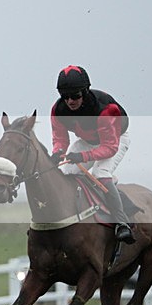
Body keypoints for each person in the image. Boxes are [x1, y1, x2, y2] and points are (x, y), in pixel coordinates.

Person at [49, 65, 135, 243]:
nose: (70, 101)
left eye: (75, 96)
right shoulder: (57, 110)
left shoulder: (105, 109)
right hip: (88, 141)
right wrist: (57, 153)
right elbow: (60, 139)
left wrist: (83, 157)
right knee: (68, 173)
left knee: (99, 173)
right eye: (65, 96)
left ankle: (121, 222)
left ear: (85, 91)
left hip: (116, 139)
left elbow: (110, 148)